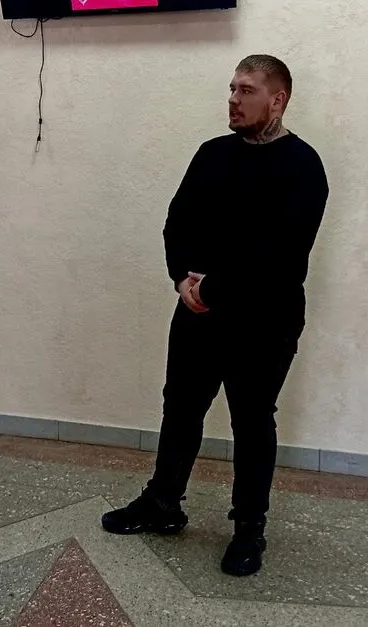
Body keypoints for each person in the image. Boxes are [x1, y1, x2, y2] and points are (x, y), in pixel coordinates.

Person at [101, 55, 328, 577]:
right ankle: (163, 503)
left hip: (264, 320)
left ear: (277, 99)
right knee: (180, 408)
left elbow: (280, 254)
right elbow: (177, 222)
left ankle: (249, 527)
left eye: (246, 90)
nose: (233, 99)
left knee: (252, 420)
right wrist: (182, 280)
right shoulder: (212, 154)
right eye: (231, 88)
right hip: (197, 311)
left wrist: (212, 288)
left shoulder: (302, 166)